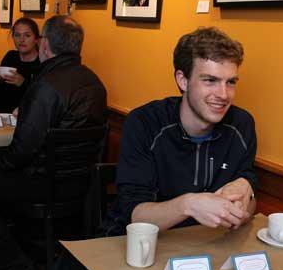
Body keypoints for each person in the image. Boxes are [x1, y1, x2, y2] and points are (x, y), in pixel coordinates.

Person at [0, 15, 107, 270]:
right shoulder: (95, 83)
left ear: (45, 44)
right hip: (83, 185)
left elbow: (22, 149)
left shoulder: (47, 86)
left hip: (44, 183)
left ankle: (17, 268)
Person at [99, 27, 256, 236]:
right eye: (210, 80)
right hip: (136, 245)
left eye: (230, 82)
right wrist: (188, 205)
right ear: (182, 80)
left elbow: (249, 202)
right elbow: (133, 215)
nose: (223, 94)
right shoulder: (144, 123)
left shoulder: (241, 125)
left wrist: (245, 196)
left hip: (205, 248)